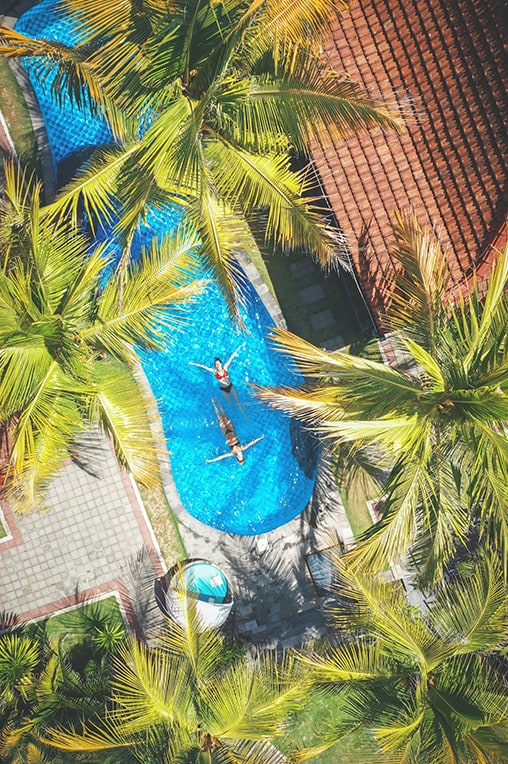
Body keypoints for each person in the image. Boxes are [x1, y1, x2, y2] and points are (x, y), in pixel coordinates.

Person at [206, 399, 263, 464]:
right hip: (231, 430)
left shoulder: (232, 453)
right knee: (224, 416)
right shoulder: (243, 448)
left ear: (237, 457)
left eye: (240, 457)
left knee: (219, 418)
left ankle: (213, 403)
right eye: (242, 456)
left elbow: (222, 457)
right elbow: (252, 443)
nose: (241, 455)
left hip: (225, 433)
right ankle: (218, 401)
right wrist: (260, 438)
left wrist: (211, 461)